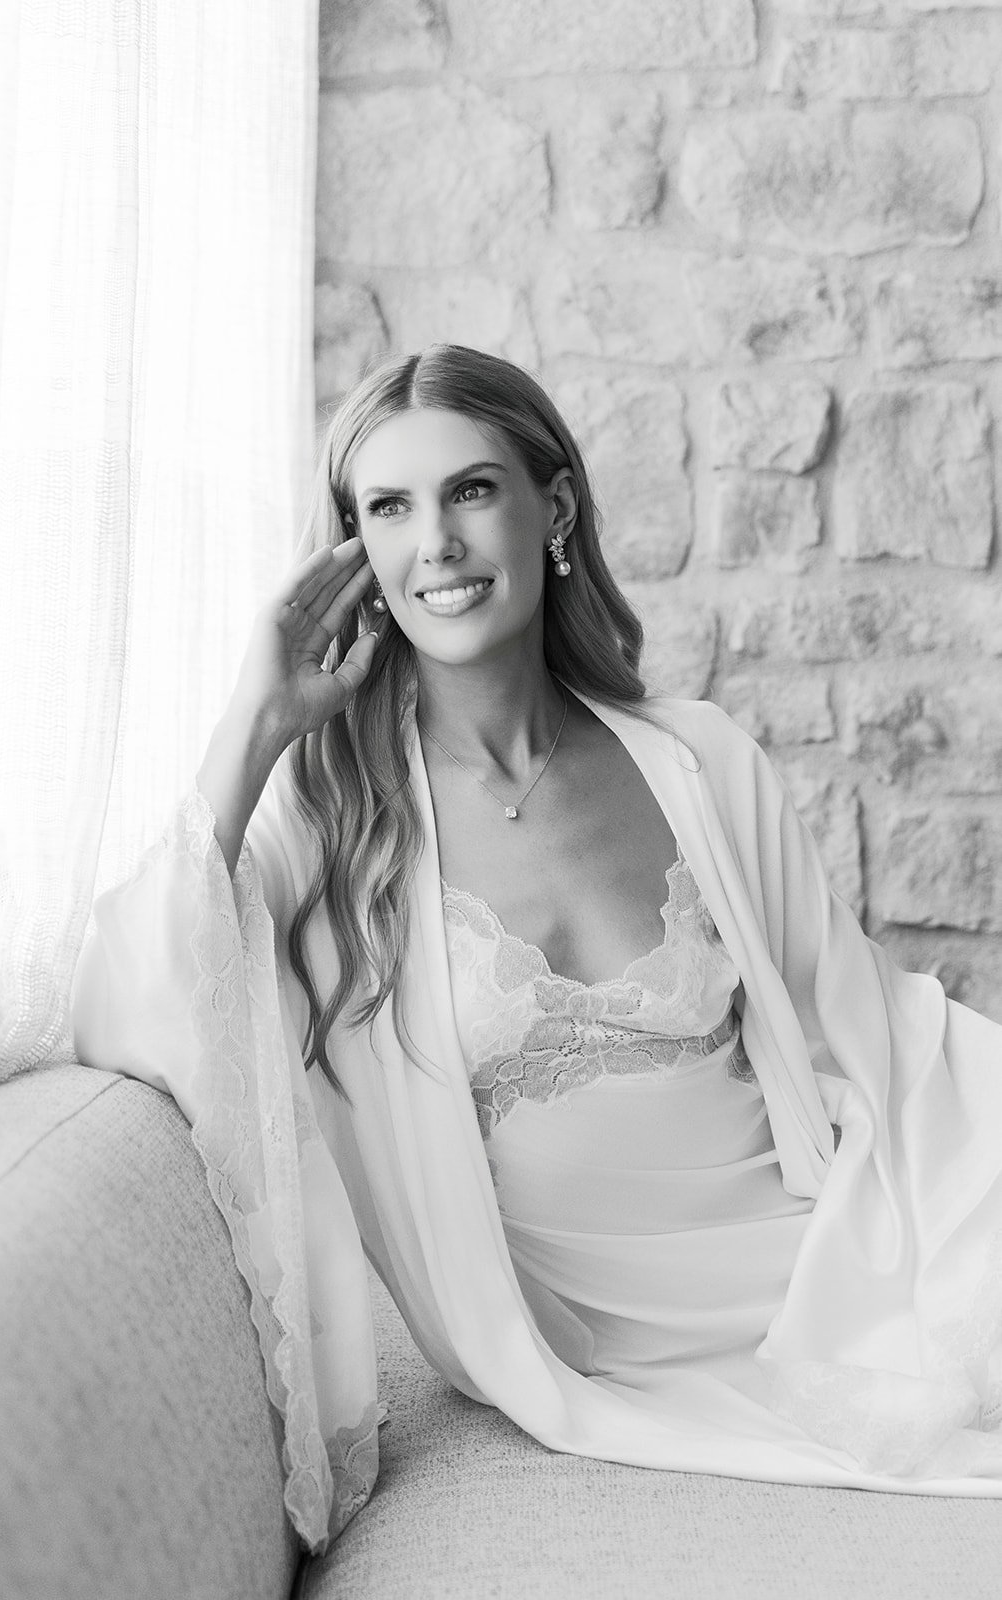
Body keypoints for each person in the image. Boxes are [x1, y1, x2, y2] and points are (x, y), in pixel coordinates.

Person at [71, 344, 1002, 1554]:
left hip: (842, 1259)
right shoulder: (330, 816)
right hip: (623, 1349)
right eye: (387, 508)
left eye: (469, 490)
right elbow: (127, 1001)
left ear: (550, 506)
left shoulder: (696, 757)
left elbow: (867, 1026)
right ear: (352, 550)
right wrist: (255, 723)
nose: (435, 544)